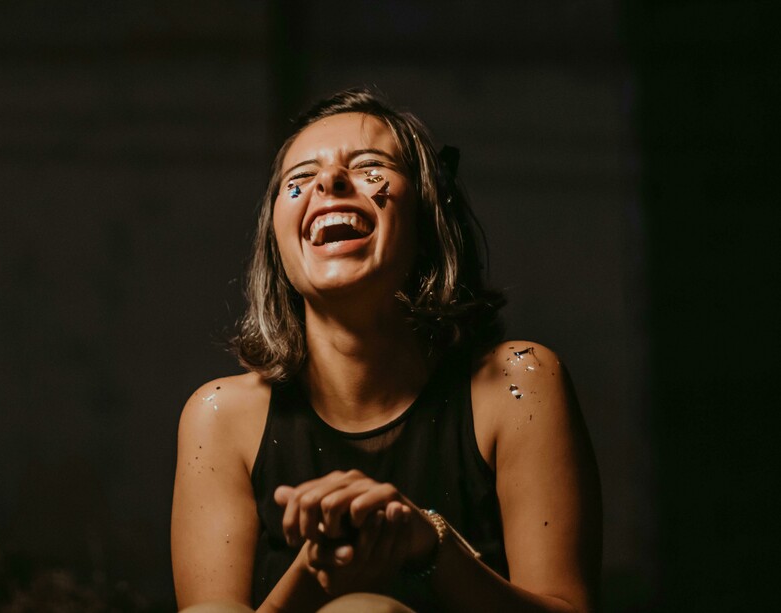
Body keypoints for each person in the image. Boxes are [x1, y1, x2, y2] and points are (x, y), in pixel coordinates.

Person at [171, 88, 601, 613]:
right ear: (276, 243)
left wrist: (428, 544)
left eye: (370, 165)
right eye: (298, 179)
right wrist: (315, 569)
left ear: (426, 220)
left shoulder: (518, 383)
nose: (327, 182)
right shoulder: (220, 416)